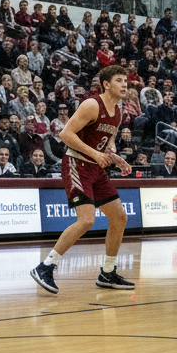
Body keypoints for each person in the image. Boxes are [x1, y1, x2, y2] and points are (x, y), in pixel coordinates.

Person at [31, 65, 135, 295]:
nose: (125, 84)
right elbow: (65, 134)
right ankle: (46, 266)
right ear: (106, 84)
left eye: (126, 80)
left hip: (97, 167)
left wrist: (114, 157)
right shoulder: (92, 104)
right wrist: (95, 154)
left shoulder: (117, 111)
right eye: (119, 80)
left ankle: (107, 272)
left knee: (119, 217)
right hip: (77, 164)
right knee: (87, 220)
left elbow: (105, 144)